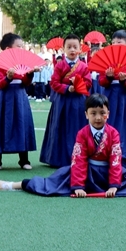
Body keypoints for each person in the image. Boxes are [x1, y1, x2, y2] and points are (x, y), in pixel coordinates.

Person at [0, 94, 126, 196]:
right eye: (93, 113)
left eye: (102, 113)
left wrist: (114, 185)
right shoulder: (82, 133)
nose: (98, 118)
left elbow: (116, 160)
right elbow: (79, 159)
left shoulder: (113, 133)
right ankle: (13, 185)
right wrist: (79, 186)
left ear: (108, 114)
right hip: (86, 173)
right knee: (51, 183)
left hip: (109, 173)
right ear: (86, 115)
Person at [0, 33, 40, 170]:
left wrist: (30, 73)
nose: (21, 49)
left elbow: (26, 82)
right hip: (5, 97)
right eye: (18, 46)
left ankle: (24, 160)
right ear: (7, 48)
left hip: (20, 95)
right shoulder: (0, 64)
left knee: (22, 124)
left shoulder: (24, 62)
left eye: (22, 47)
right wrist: (8, 78)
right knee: (1, 125)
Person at [40, 34, 91, 167]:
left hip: (78, 102)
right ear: (63, 49)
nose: (72, 50)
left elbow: (89, 83)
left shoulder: (84, 66)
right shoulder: (59, 65)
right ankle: (58, 158)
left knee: (77, 128)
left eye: (75, 47)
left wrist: (79, 83)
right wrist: (67, 88)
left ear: (80, 49)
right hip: (62, 101)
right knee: (60, 128)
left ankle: (78, 158)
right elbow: (54, 83)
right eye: (69, 47)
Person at [99, 30, 126, 168]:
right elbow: (101, 81)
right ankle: (104, 157)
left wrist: (125, 81)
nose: (115, 45)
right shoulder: (106, 59)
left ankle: (122, 159)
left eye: (119, 42)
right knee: (106, 125)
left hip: (124, 98)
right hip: (108, 97)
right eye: (113, 42)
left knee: (124, 127)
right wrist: (109, 77)